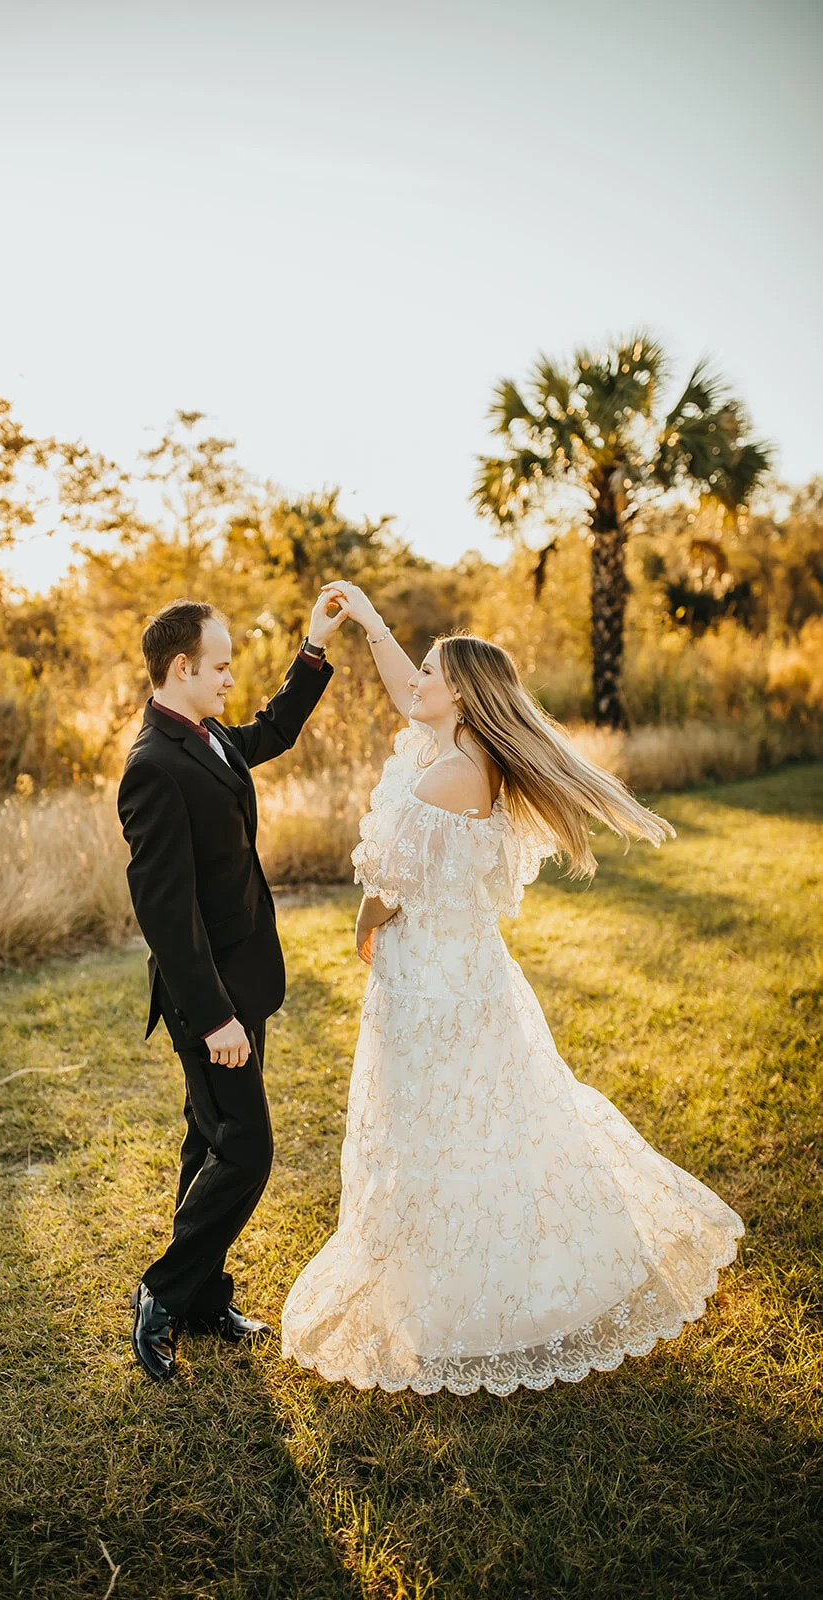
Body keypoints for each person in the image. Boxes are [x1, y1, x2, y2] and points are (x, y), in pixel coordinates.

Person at [280, 581, 745, 1396]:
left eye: (429, 673)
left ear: (460, 694)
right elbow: (407, 693)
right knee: (492, 1118)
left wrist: (361, 924)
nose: (414, 682)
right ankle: (491, 1287)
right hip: (470, 973)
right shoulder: (470, 757)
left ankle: (457, 1307)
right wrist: (366, 620)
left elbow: (389, 881)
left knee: (434, 1127)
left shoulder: (444, 776)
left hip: (431, 985)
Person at [118, 591, 348, 1380]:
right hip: (207, 1002)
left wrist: (313, 648)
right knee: (246, 1149)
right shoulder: (152, 767)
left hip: (245, 981)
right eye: (218, 666)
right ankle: (162, 1292)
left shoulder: (209, 735)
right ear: (181, 667)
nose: (228, 678)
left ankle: (202, 1298)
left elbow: (273, 730)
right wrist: (216, 1017)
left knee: (211, 1139)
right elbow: (164, 911)